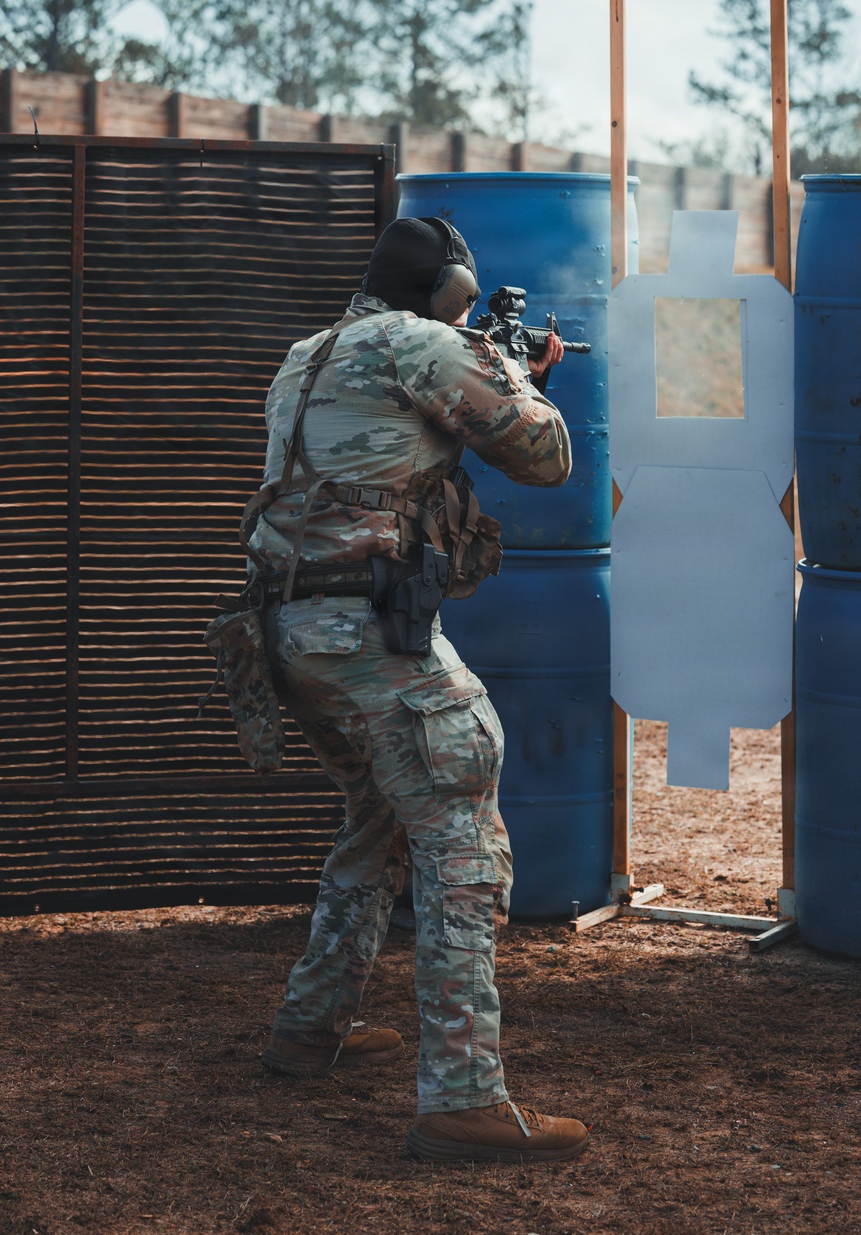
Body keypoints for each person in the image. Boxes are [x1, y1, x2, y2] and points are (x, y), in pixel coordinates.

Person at [250, 216, 589, 1164]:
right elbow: (546, 455)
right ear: (446, 290)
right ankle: (462, 1099)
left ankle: (309, 1028)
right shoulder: (425, 344)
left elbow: (383, 447)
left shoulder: (309, 351)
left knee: (377, 818)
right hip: (366, 634)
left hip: (284, 632)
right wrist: (520, 374)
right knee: (466, 836)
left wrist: (501, 366)